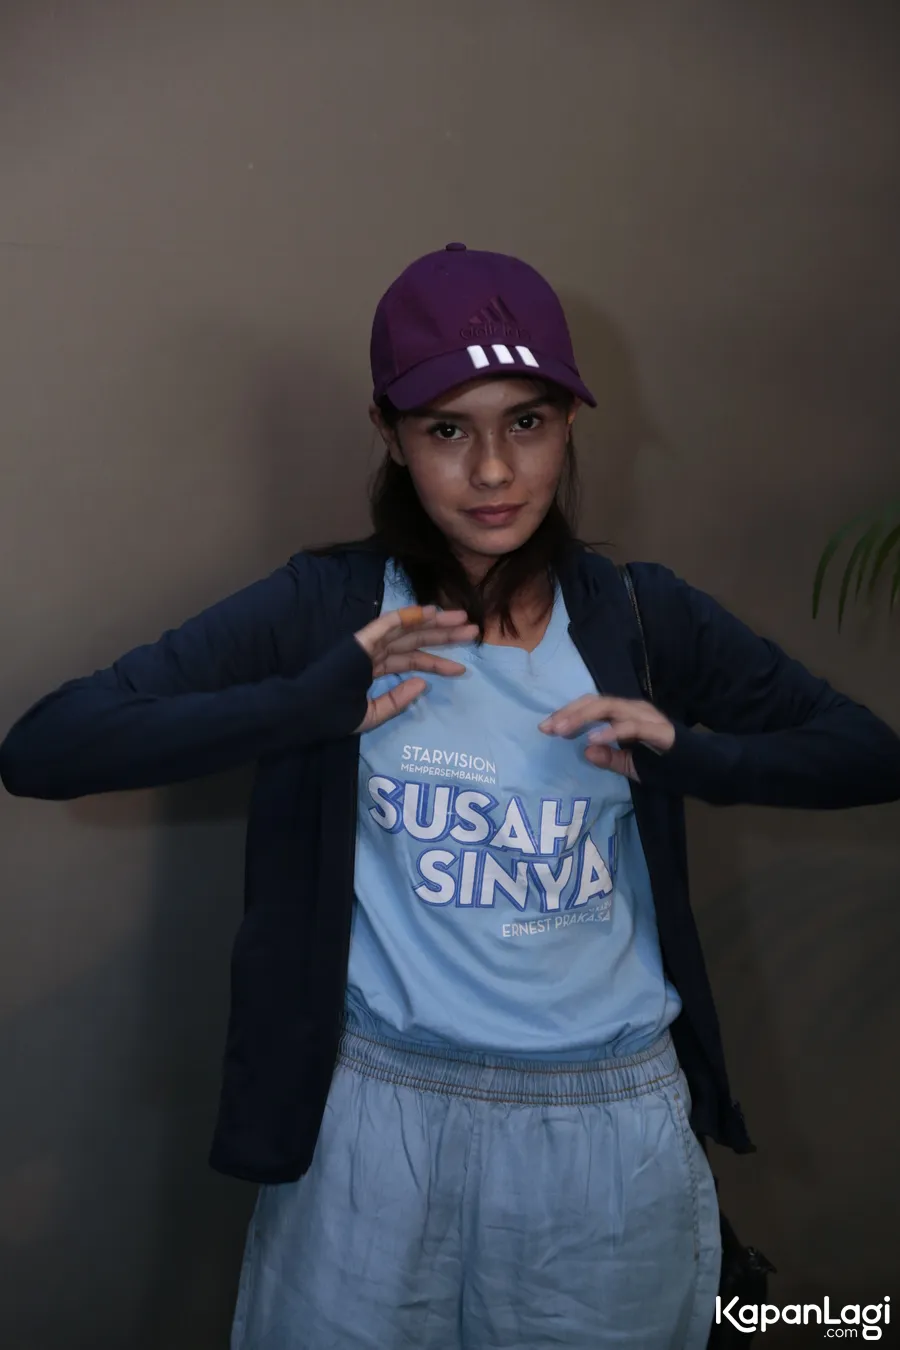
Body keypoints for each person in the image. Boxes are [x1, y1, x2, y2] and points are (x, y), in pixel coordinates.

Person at [2, 243, 899, 1350]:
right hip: (377, 1124)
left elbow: (869, 755)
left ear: (571, 422)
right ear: (389, 433)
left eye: (527, 421)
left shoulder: (640, 615)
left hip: (603, 1131)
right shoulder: (326, 608)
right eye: (446, 430)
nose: (492, 470)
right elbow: (47, 748)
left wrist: (692, 759)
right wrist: (308, 702)